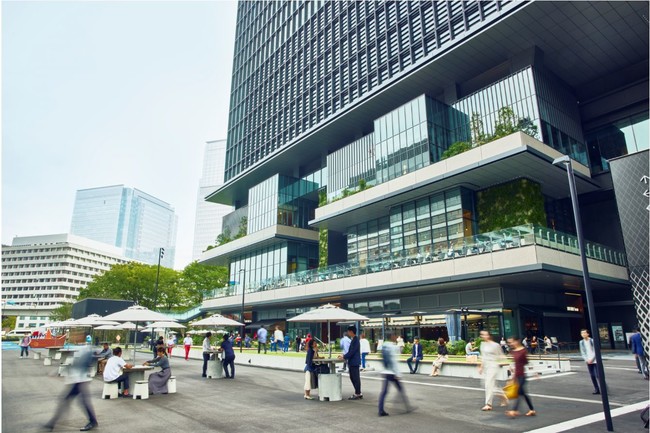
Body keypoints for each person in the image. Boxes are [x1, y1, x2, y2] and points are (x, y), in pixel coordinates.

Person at [44, 345, 98, 432]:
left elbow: (83, 363)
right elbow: (72, 364)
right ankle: (52, 423)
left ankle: (52, 423)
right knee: (69, 401)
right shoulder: (77, 348)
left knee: (74, 401)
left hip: (80, 381)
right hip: (77, 381)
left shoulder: (85, 349)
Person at [378, 333, 413, 416]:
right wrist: (398, 374)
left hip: (386, 371)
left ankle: (380, 410)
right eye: (395, 336)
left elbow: (382, 358)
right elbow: (393, 361)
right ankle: (407, 407)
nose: (396, 337)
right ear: (392, 337)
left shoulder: (385, 345)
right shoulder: (392, 347)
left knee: (384, 392)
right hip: (392, 372)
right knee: (400, 389)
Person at [505, 336, 535, 418]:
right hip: (516, 375)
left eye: (511, 342)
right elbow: (514, 362)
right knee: (523, 394)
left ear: (517, 341)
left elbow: (527, 362)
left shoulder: (523, 350)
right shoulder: (513, 351)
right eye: (509, 342)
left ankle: (514, 410)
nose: (510, 344)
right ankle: (532, 410)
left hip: (522, 375)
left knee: (518, 392)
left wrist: (535, 372)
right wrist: (511, 368)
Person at [478, 330, 507, 411]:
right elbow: (482, 356)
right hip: (486, 366)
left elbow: (501, 355)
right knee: (488, 385)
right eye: (482, 335)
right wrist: (480, 366)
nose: (483, 336)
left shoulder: (495, 345)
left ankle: (488, 404)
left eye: (485, 334)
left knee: (488, 385)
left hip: (493, 366)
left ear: (489, 335)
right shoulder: (482, 344)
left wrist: (508, 365)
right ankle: (503, 396)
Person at [339, 325, 362, 400]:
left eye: (348, 331)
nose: (348, 333)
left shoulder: (355, 340)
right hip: (352, 361)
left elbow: (352, 351)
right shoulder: (353, 339)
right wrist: (344, 356)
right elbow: (350, 351)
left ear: (351, 332)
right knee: (353, 377)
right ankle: (358, 392)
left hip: (354, 362)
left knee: (355, 378)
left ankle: (357, 393)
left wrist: (344, 357)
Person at [579, 329, 601, 395]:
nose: (583, 334)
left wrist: (592, 359)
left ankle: (602, 388)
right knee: (592, 375)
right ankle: (596, 389)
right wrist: (586, 360)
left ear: (588, 334)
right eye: (582, 333)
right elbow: (582, 352)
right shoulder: (581, 342)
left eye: (584, 333)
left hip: (595, 360)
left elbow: (596, 351)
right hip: (588, 361)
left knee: (598, 375)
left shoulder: (592, 341)